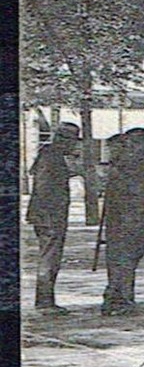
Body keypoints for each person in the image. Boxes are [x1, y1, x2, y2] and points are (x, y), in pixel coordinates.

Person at [101, 129, 144, 316]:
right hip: (130, 220)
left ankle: (118, 297)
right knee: (123, 260)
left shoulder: (129, 164)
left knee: (123, 260)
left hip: (135, 220)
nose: (131, 147)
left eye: (134, 143)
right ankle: (119, 298)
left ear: (143, 143)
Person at [28, 122, 82, 312]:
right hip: (50, 216)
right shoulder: (51, 156)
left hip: (49, 214)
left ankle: (45, 300)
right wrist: (48, 215)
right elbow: (43, 187)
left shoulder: (51, 155)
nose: (74, 145)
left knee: (50, 257)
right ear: (63, 139)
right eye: (73, 141)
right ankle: (44, 302)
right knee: (49, 258)